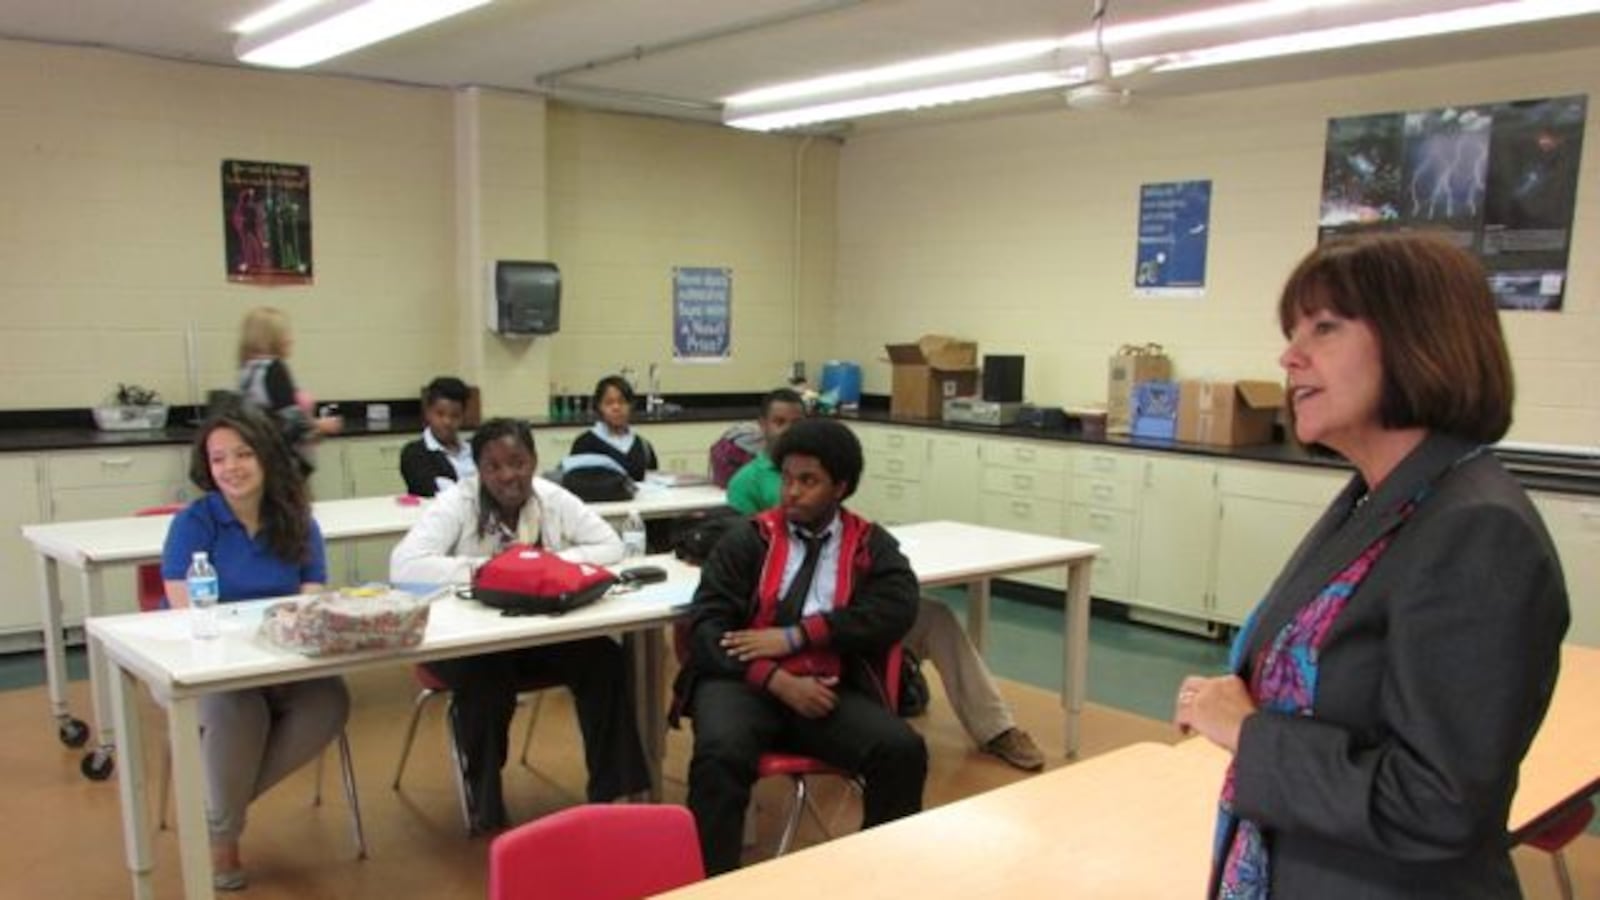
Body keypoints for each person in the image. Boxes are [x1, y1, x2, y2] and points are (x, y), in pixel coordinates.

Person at [1174, 234, 1569, 899]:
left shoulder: (1477, 530)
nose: (1289, 355)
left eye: (1324, 327)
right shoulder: (1382, 498)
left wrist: (1249, 733)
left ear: (1421, 339)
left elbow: (1436, 803)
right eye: (1292, 331)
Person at [724, 388, 1046, 771]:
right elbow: (738, 559)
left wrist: (811, 629)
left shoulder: (846, 507)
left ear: (838, 486)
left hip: (835, 620)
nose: (793, 491)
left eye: (796, 423)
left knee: (935, 617)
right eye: (779, 422)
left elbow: (881, 586)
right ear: (763, 426)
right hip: (773, 621)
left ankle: (995, 728)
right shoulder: (748, 484)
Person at [674, 418, 927, 875]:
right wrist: (776, 679)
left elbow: (897, 608)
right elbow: (705, 628)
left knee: (902, 750)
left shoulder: (868, 543)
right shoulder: (748, 540)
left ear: (841, 487)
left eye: (808, 481)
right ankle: (708, 885)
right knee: (719, 757)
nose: (791, 492)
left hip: (823, 686)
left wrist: (801, 635)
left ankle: (883, 877)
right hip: (745, 681)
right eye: (787, 479)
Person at [389, 418, 651, 834]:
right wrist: (493, 570)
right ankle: (485, 800)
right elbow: (404, 565)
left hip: (538, 633)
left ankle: (614, 793)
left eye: (518, 462)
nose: (508, 475)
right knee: (484, 678)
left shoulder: (551, 497)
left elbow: (610, 544)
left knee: (604, 659)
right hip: (472, 645)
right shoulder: (457, 504)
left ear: (533, 461)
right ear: (478, 470)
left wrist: (541, 566)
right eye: (494, 466)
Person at [160, 403, 347, 891]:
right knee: (237, 711)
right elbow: (185, 608)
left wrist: (283, 646)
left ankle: (219, 813)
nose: (231, 468)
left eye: (242, 454)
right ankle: (223, 840)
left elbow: (311, 593)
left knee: (329, 702)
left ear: (265, 456)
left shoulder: (296, 519)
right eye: (219, 458)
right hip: (213, 669)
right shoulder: (195, 522)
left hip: (283, 661)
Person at [236, 306, 341, 475]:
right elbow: (292, 423)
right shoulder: (274, 368)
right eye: (285, 333)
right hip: (283, 465)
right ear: (272, 338)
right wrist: (321, 425)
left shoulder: (246, 371)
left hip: (260, 460)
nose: (291, 339)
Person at [570, 375, 658, 481]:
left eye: (622, 402)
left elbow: (654, 482)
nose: (616, 407)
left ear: (631, 405)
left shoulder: (643, 446)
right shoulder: (584, 444)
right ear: (599, 407)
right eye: (609, 403)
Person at [399, 376, 474, 497]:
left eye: (455, 415)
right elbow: (434, 491)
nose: (447, 422)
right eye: (440, 414)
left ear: (463, 416)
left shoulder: (474, 449)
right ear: (428, 412)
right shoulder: (415, 453)